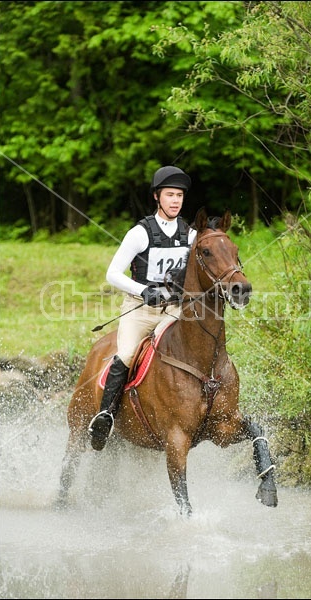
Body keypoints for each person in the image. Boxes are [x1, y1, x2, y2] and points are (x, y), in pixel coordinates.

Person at [88, 166, 197, 451]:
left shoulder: (190, 234)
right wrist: (142, 290)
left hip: (173, 310)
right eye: (170, 195)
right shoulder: (140, 233)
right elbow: (112, 273)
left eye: (180, 196)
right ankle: (106, 416)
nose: (176, 201)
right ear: (157, 197)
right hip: (140, 310)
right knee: (124, 354)